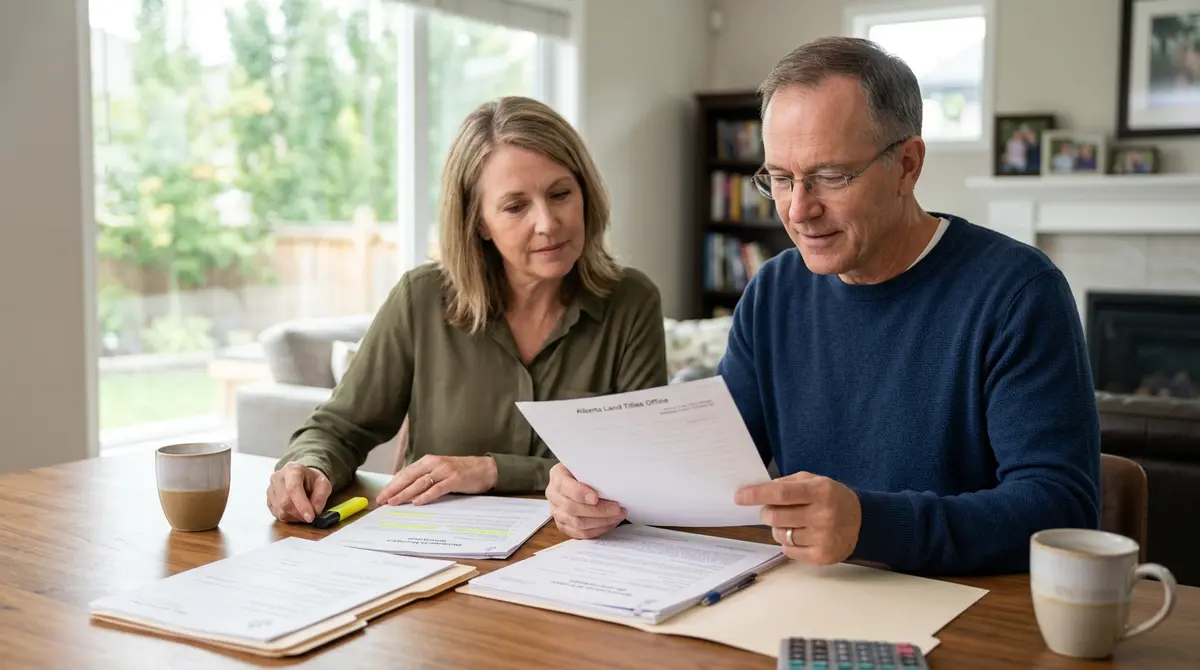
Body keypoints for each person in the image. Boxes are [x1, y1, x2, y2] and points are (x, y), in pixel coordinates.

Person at [546, 37, 1101, 575]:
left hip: (962, 608)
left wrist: (870, 523)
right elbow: (709, 464)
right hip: (804, 591)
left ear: (908, 165)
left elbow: (1061, 508)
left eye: (830, 177)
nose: (798, 210)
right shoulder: (774, 290)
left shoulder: (1018, 292)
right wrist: (598, 491)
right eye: (781, 179)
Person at [266, 96, 668, 524]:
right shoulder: (420, 299)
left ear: (585, 194)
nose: (548, 222)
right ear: (479, 222)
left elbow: (642, 464)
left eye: (560, 194)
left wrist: (489, 470)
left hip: (580, 559)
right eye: (516, 206)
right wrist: (308, 467)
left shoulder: (631, 301)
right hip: (432, 557)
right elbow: (340, 429)